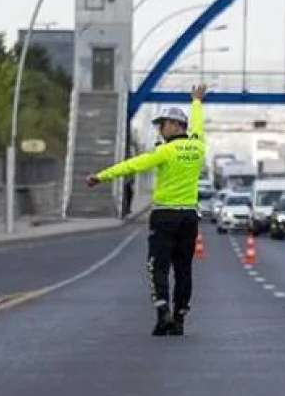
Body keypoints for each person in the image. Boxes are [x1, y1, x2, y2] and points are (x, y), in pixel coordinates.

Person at [88, 85, 208, 336]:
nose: (160, 129)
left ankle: (163, 311)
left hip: (165, 216)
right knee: (184, 267)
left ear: (175, 125)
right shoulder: (198, 147)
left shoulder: (164, 151)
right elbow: (198, 125)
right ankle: (180, 318)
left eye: (162, 124)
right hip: (189, 217)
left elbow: (133, 165)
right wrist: (196, 101)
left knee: (158, 265)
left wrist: (101, 176)